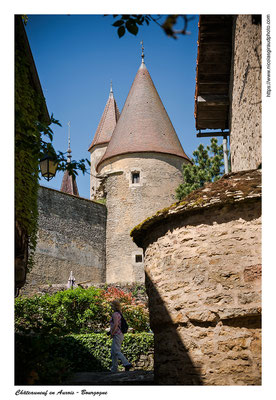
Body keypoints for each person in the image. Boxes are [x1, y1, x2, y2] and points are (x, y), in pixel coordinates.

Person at [109, 299, 132, 372]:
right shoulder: (119, 313)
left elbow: (115, 324)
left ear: (114, 306)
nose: (111, 307)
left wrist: (112, 333)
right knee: (113, 352)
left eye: (111, 305)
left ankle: (126, 363)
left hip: (117, 334)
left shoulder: (115, 314)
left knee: (116, 351)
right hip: (119, 334)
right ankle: (114, 368)